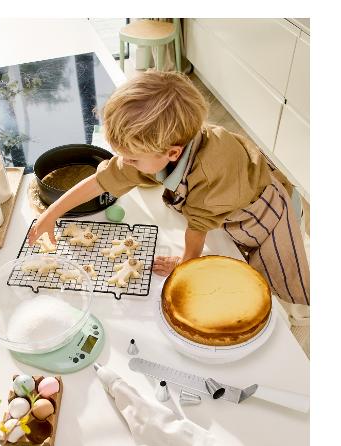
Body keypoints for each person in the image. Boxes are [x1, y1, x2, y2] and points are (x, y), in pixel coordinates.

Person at [27, 70, 309, 309]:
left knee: (284, 280)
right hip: (226, 202)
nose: (126, 162)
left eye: (133, 159)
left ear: (172, 154)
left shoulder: (209, 176)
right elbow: (102, 180)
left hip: (262, 212)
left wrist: (184, 265)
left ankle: (303, 322)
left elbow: (197, 229)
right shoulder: (156, 146)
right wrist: (51, 213)